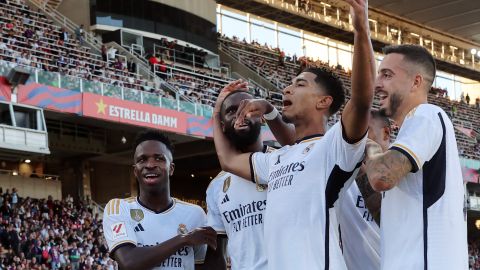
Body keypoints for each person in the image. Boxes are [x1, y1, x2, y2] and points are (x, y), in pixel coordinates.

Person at [212, 0, 375, 268]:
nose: (287, 89)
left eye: (299, 84)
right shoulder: (277, 159)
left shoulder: (334, 146)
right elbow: (227, 160)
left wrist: (360, 30)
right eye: (289, 84)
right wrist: (217, 109)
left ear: (324, 102)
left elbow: (362, 99)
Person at [364, 44, 468, 269]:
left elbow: (382, 176)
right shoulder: (412, 132)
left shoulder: (427, 115)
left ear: (416, 82)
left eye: (387, 75)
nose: (377, 84)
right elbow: (387, 213)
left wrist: (368, 143)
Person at [102, 130, 217, 270]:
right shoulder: (119, 208)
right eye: (142, 159)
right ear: (135, 171)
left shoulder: (195, 214)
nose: (150, 165)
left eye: (159, 158)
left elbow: (202, 265)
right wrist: (184, 239)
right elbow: (129, 262)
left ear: (171, 168)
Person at [204, 89, 271, 270]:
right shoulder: (216, 186)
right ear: (222, 125)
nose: (241, 114)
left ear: (263, 118)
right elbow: (217, 252)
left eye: (248, 108)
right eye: (232, 111)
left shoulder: (284, 162)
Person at [336, 110, 389, 270]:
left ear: (386, 133)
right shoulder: (342, 172)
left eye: (364, 131)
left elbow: (384, 215)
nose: (357, 138)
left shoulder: (406, 172)